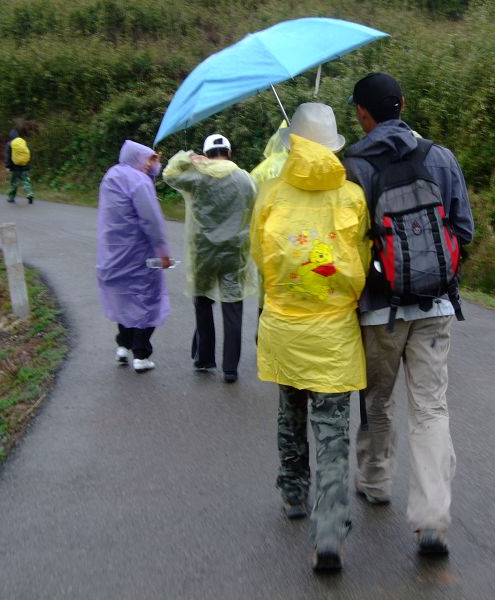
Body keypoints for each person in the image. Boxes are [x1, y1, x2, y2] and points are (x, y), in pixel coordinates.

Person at [342, 73, 475, 556]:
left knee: (377, 400)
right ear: (403, 104)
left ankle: (376, 481)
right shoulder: (439, 157)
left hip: (379, 311)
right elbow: (464, 230)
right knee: (431, 408)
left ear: (363, 113)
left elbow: (347, 244)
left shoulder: (352, 166)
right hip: (436, 306)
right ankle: (432, 520)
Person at [250, 103, 370, 571]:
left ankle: (293, 493)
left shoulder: (271, 194)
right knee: (333, 431)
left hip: (284, 324)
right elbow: (361, 260)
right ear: (333, 146)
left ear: (292, 145)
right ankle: (329, 534)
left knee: (290, 408)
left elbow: (259, 255)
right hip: (334, 332)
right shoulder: (352, 197)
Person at [163, 133, 257, 383]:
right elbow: (254, 206)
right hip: (234, 252)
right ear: (229, 152)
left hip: (203, 252)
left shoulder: (197, 178)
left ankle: (204, 358)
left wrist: (188, 157)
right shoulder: (246, 179)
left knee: (203, 303)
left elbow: (169, 175)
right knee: (232, 306)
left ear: (206, 154)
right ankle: (230, 368)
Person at [96, 140, 173, 373]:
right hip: (138, 253)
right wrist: (163, 253)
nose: (151, 165)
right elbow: (151, 221)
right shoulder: (139, 181)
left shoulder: (112, 175)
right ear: (138, 158)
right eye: (149, 160)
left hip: (113, 252)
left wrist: (153, 168)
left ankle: (122, 346)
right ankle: (141, 354)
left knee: (125, 299)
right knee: (148, 300)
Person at [4, 129, 34, 204]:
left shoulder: (9, 144)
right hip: (25, 166)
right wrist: (28, 164)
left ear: (11, 136)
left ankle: (11, 198)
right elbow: (27, 153)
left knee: (14, 183)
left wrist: (7, 166)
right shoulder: (23, 142)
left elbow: (8, 156)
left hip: (15, 168)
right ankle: (29, 193)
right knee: (26, 181)